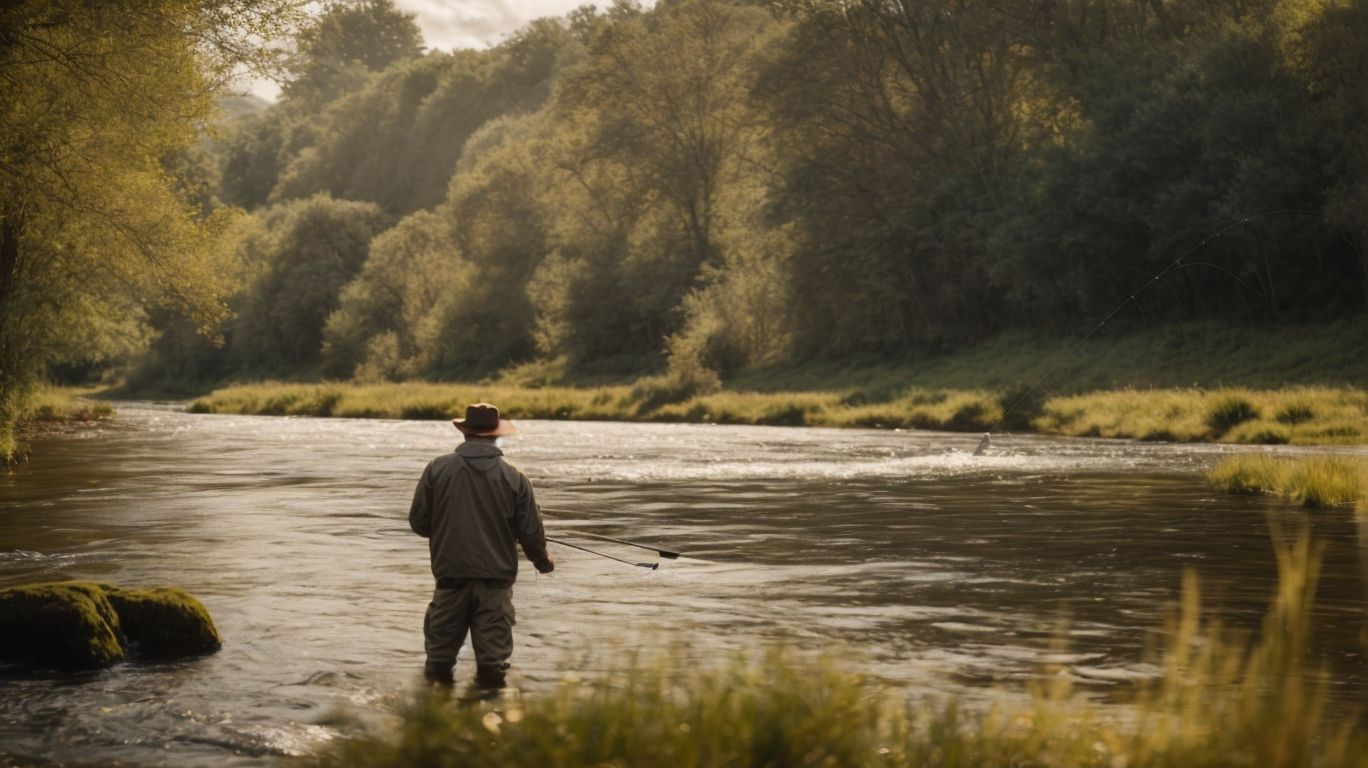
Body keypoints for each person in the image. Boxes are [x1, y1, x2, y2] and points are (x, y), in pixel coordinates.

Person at [409, 402, 554, 688]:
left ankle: (432, 722)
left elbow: (419, 523)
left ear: (465, 433)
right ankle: (487, 722)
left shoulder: (437, 470)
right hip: (495, 586)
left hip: (450, 581)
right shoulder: (515, 477)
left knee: (438, 667)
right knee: (492, 669)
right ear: (496, 435)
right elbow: (530, 534)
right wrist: (543, 562)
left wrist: (449, 527)